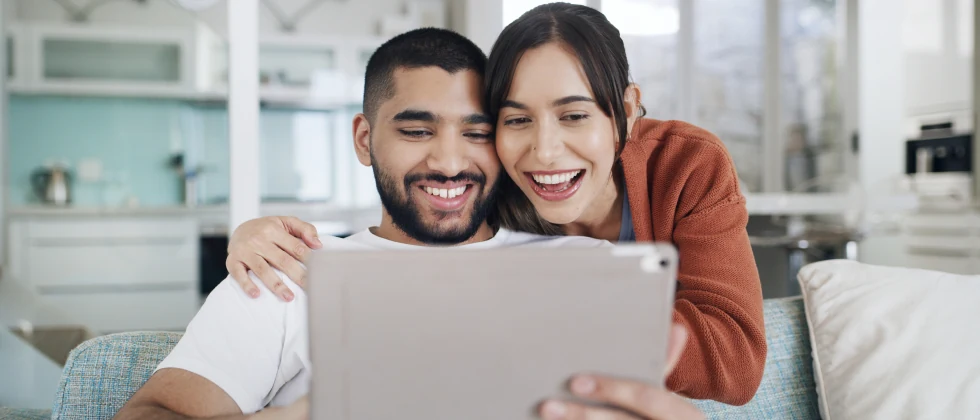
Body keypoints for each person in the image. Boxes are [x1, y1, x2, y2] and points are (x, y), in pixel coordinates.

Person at [113, 28, 703, 420]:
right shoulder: (284, 272)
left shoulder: (586, 269)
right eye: (417, 131)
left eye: (475, 132)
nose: (448, 162)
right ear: (365, 140)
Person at [226, 2, 767, 406]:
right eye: (515, 119)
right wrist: (255, 233)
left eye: (575, 114)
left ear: (626, 110)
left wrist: (554, 308)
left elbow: (735, 362)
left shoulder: (685, 163)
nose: (544, 151)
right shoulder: (490, 180)